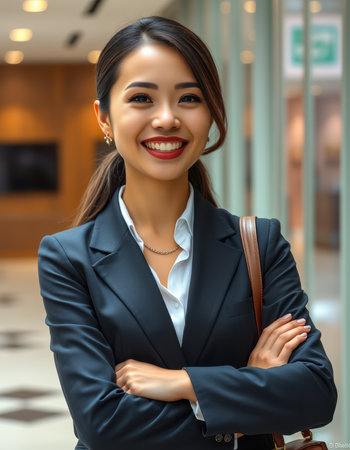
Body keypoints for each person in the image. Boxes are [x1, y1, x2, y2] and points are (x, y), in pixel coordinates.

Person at [37, 16, 337, 450]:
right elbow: (101, 424)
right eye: (141, 98)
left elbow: (316, 393)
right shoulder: (68, 258)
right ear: (103, 117)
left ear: (211, 113)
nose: (166, 119)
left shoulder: (260, 244)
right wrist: (249, 386)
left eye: (189, 98)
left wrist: (181, 383)